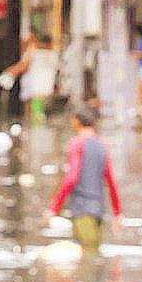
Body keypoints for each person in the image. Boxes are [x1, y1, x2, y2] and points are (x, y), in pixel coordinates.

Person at [47, 104, 123, 249]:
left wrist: (54, 208)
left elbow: (71, 179)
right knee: (94, 254)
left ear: (76, 121)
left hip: (82, 211)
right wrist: (118, 213)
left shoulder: (77, 144)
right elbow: (111, 181)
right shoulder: (102, 145)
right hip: (99, 212)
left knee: (86, 260)